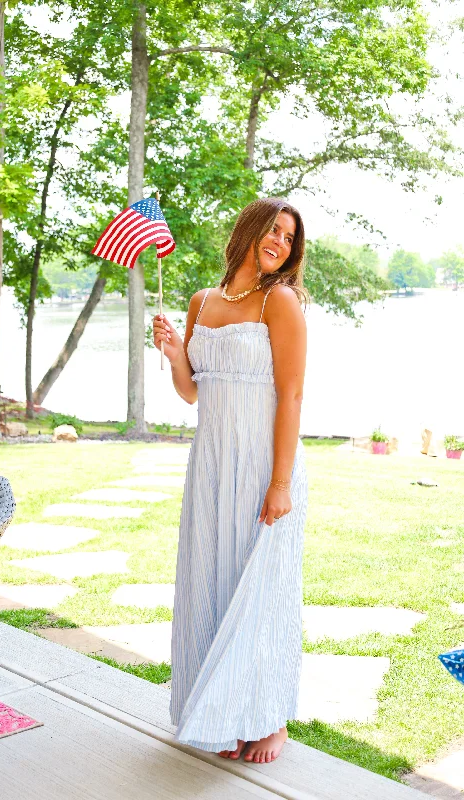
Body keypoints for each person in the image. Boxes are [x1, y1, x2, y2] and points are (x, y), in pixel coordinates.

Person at [152, 197, 309, 765]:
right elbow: (194, 392)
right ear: (248, 230)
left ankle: (268, 719)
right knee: (212, 581)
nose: (279, 243)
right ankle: (220, 709)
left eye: (289, 237)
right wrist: (174, 354)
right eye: (273, 230)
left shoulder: (281, 301)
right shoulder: (201, 301)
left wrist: (281, 483)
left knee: (260, 590)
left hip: (266, 465)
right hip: (213, 464)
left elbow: (290, 394)